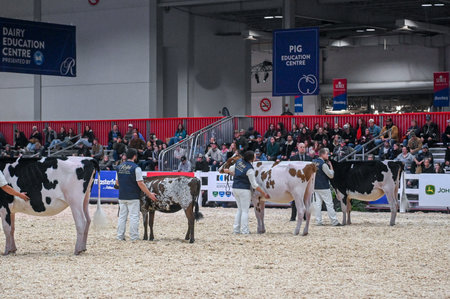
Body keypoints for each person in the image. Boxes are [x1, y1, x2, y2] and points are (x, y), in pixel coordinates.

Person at [223, 151, 270, 234]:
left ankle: (236, 230)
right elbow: (254, 185)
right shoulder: (249, 169)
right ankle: (245, 231)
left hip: (235, 187)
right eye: (254, 156)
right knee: (245, 211)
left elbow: (230, 170)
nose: (255, 157)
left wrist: (223, 170)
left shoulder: (239, 162)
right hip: (244, 189)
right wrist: (264, 193)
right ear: (251, 159)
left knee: (239, 210)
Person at [115, 149, 157, 241]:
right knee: (134, 216)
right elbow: (140, 183)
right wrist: (149, 194)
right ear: (134, 156)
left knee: (122, 217)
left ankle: (119, 236)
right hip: (133, 196)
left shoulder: (119, 167)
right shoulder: (136, 168)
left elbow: (117, 183)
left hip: (122, 196)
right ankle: (134, 237)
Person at [312, 148, 341, 226]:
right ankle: (334, 221)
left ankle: (318, 221)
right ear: (322, 154)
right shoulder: (324, 164)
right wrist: (331, 167)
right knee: (329, 204)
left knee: (317, 204)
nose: (327, 155)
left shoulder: (313, 162)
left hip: (315, 186)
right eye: (326, 154)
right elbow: (331, 175)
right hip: (324, 186)